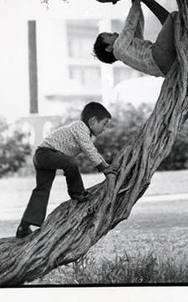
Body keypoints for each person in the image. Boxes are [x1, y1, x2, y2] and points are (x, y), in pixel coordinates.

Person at [16, 102, 114, 239]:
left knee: (42, 190)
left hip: (41, 155)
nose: (104, 129)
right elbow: (89, 149)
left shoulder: (84, 130)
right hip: (46, 154)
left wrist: (106, 166)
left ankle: (23, 227)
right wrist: (104, 168)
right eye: (104, 124)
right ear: (92, 121)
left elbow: (92, 150)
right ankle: (78, 193)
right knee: (70, 164)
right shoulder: (80, 127)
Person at [93, 0, 188, 77]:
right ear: (109, 48)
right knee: (173, 17)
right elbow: (129, 26)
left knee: (179, 38)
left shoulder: (125, 53)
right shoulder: (118, 47)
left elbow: (137, 27)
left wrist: (135, 1)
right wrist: (138, 0)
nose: (114, 33)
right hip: (157, 55)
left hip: (167, 69)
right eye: (109, 36)